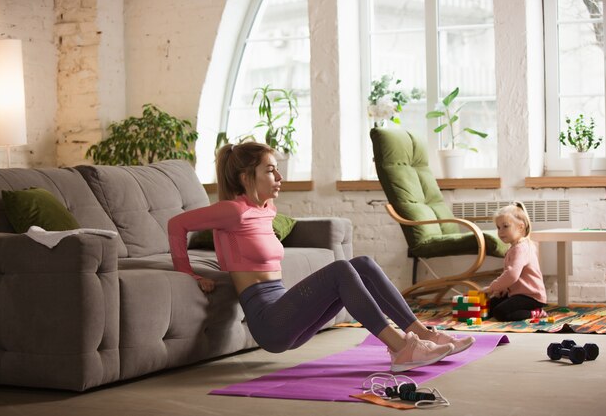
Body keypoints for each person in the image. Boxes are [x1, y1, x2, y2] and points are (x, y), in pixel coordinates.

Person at [168, 142, 475, 372]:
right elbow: (176, 224)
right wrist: (188, 273)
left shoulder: (266, 211)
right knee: (341, 270)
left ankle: (422, 335)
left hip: (288, 316)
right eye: (270, 169)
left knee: (363, 264)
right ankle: (400, 349)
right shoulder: (231, 210)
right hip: (269, 323)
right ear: (247, 176)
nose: (279, 175)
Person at [482, 202, 547, 321]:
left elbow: (511, 275)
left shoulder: (521, 248)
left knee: (500, 313)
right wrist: (502, 289)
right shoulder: (514, 247)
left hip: (531, 297)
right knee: (489, 307)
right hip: (517, 293)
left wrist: (493, 287)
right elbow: (515, 278)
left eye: (505, 226)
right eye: (498, 227)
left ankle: (536, 312)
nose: (500, 231)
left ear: (521, 227)